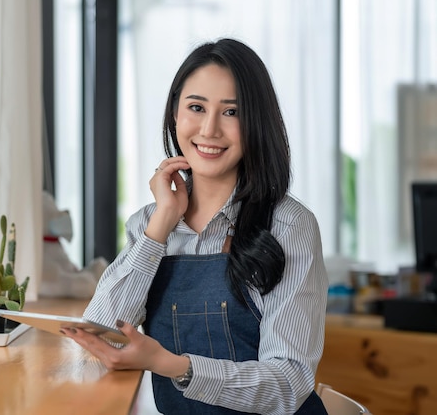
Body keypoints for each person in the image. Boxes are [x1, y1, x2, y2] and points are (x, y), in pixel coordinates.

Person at [61, 38, 328, 414]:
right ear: (175, 113)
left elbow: (288, 384)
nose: (210, 129)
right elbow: (100, 331)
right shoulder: (149, 224)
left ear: (256, 123)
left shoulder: (289, 226)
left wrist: (171, 365)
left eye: (231, 112)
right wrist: (160, 226)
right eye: (196, 107)